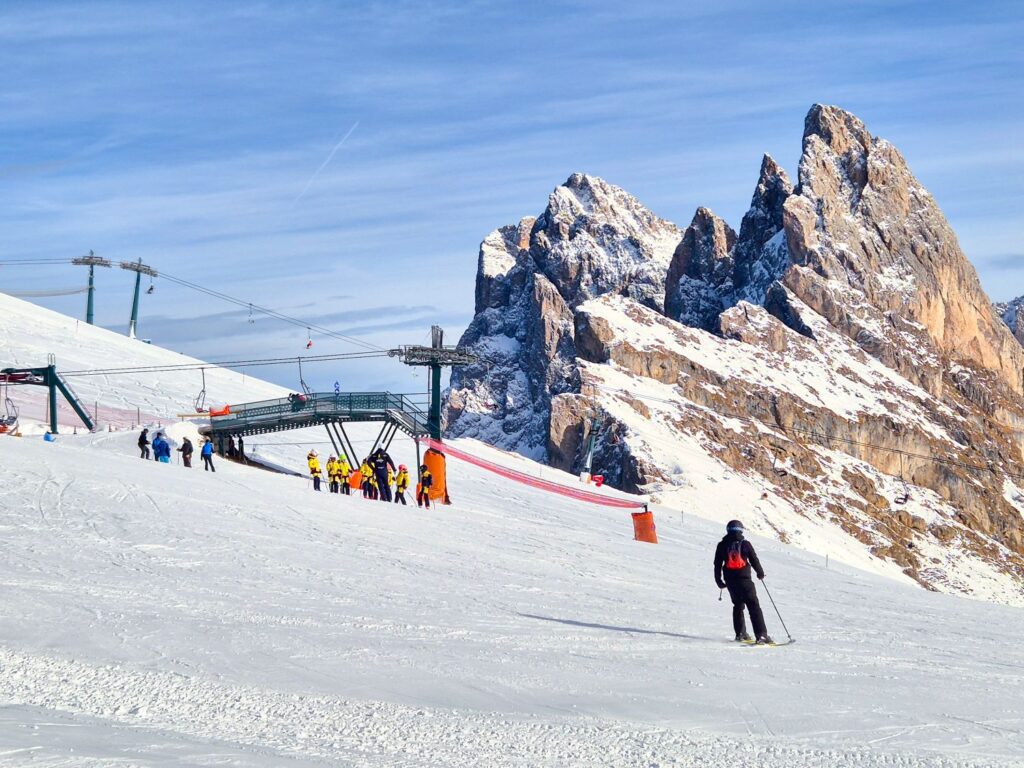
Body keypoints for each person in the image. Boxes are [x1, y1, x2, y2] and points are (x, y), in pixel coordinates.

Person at [714, 520, 773, 644]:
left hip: (730, 580)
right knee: (754, 606)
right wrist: (760, 573)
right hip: (745, 579)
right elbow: (754, 559)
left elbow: (717, 564)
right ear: (741, 530)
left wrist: (719, 580)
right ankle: (761, 636)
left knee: (738, 606)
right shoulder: (745, 544)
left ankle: (741, 634)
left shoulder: (722, 545)